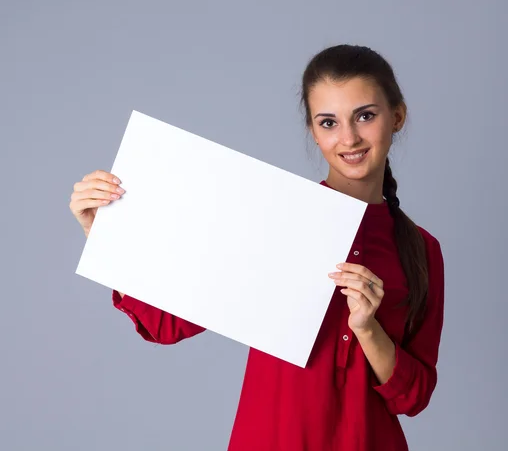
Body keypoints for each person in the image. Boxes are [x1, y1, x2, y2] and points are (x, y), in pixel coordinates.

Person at [69, 44, 445, 451]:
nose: (349, 137)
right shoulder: (271, 218)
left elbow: (414, 396)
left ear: (397, 117)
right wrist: (105, 233)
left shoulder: (421, 249)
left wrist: (367, 329)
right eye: (328, 122)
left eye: (365, 116)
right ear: (313, 133)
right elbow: (165, 325)